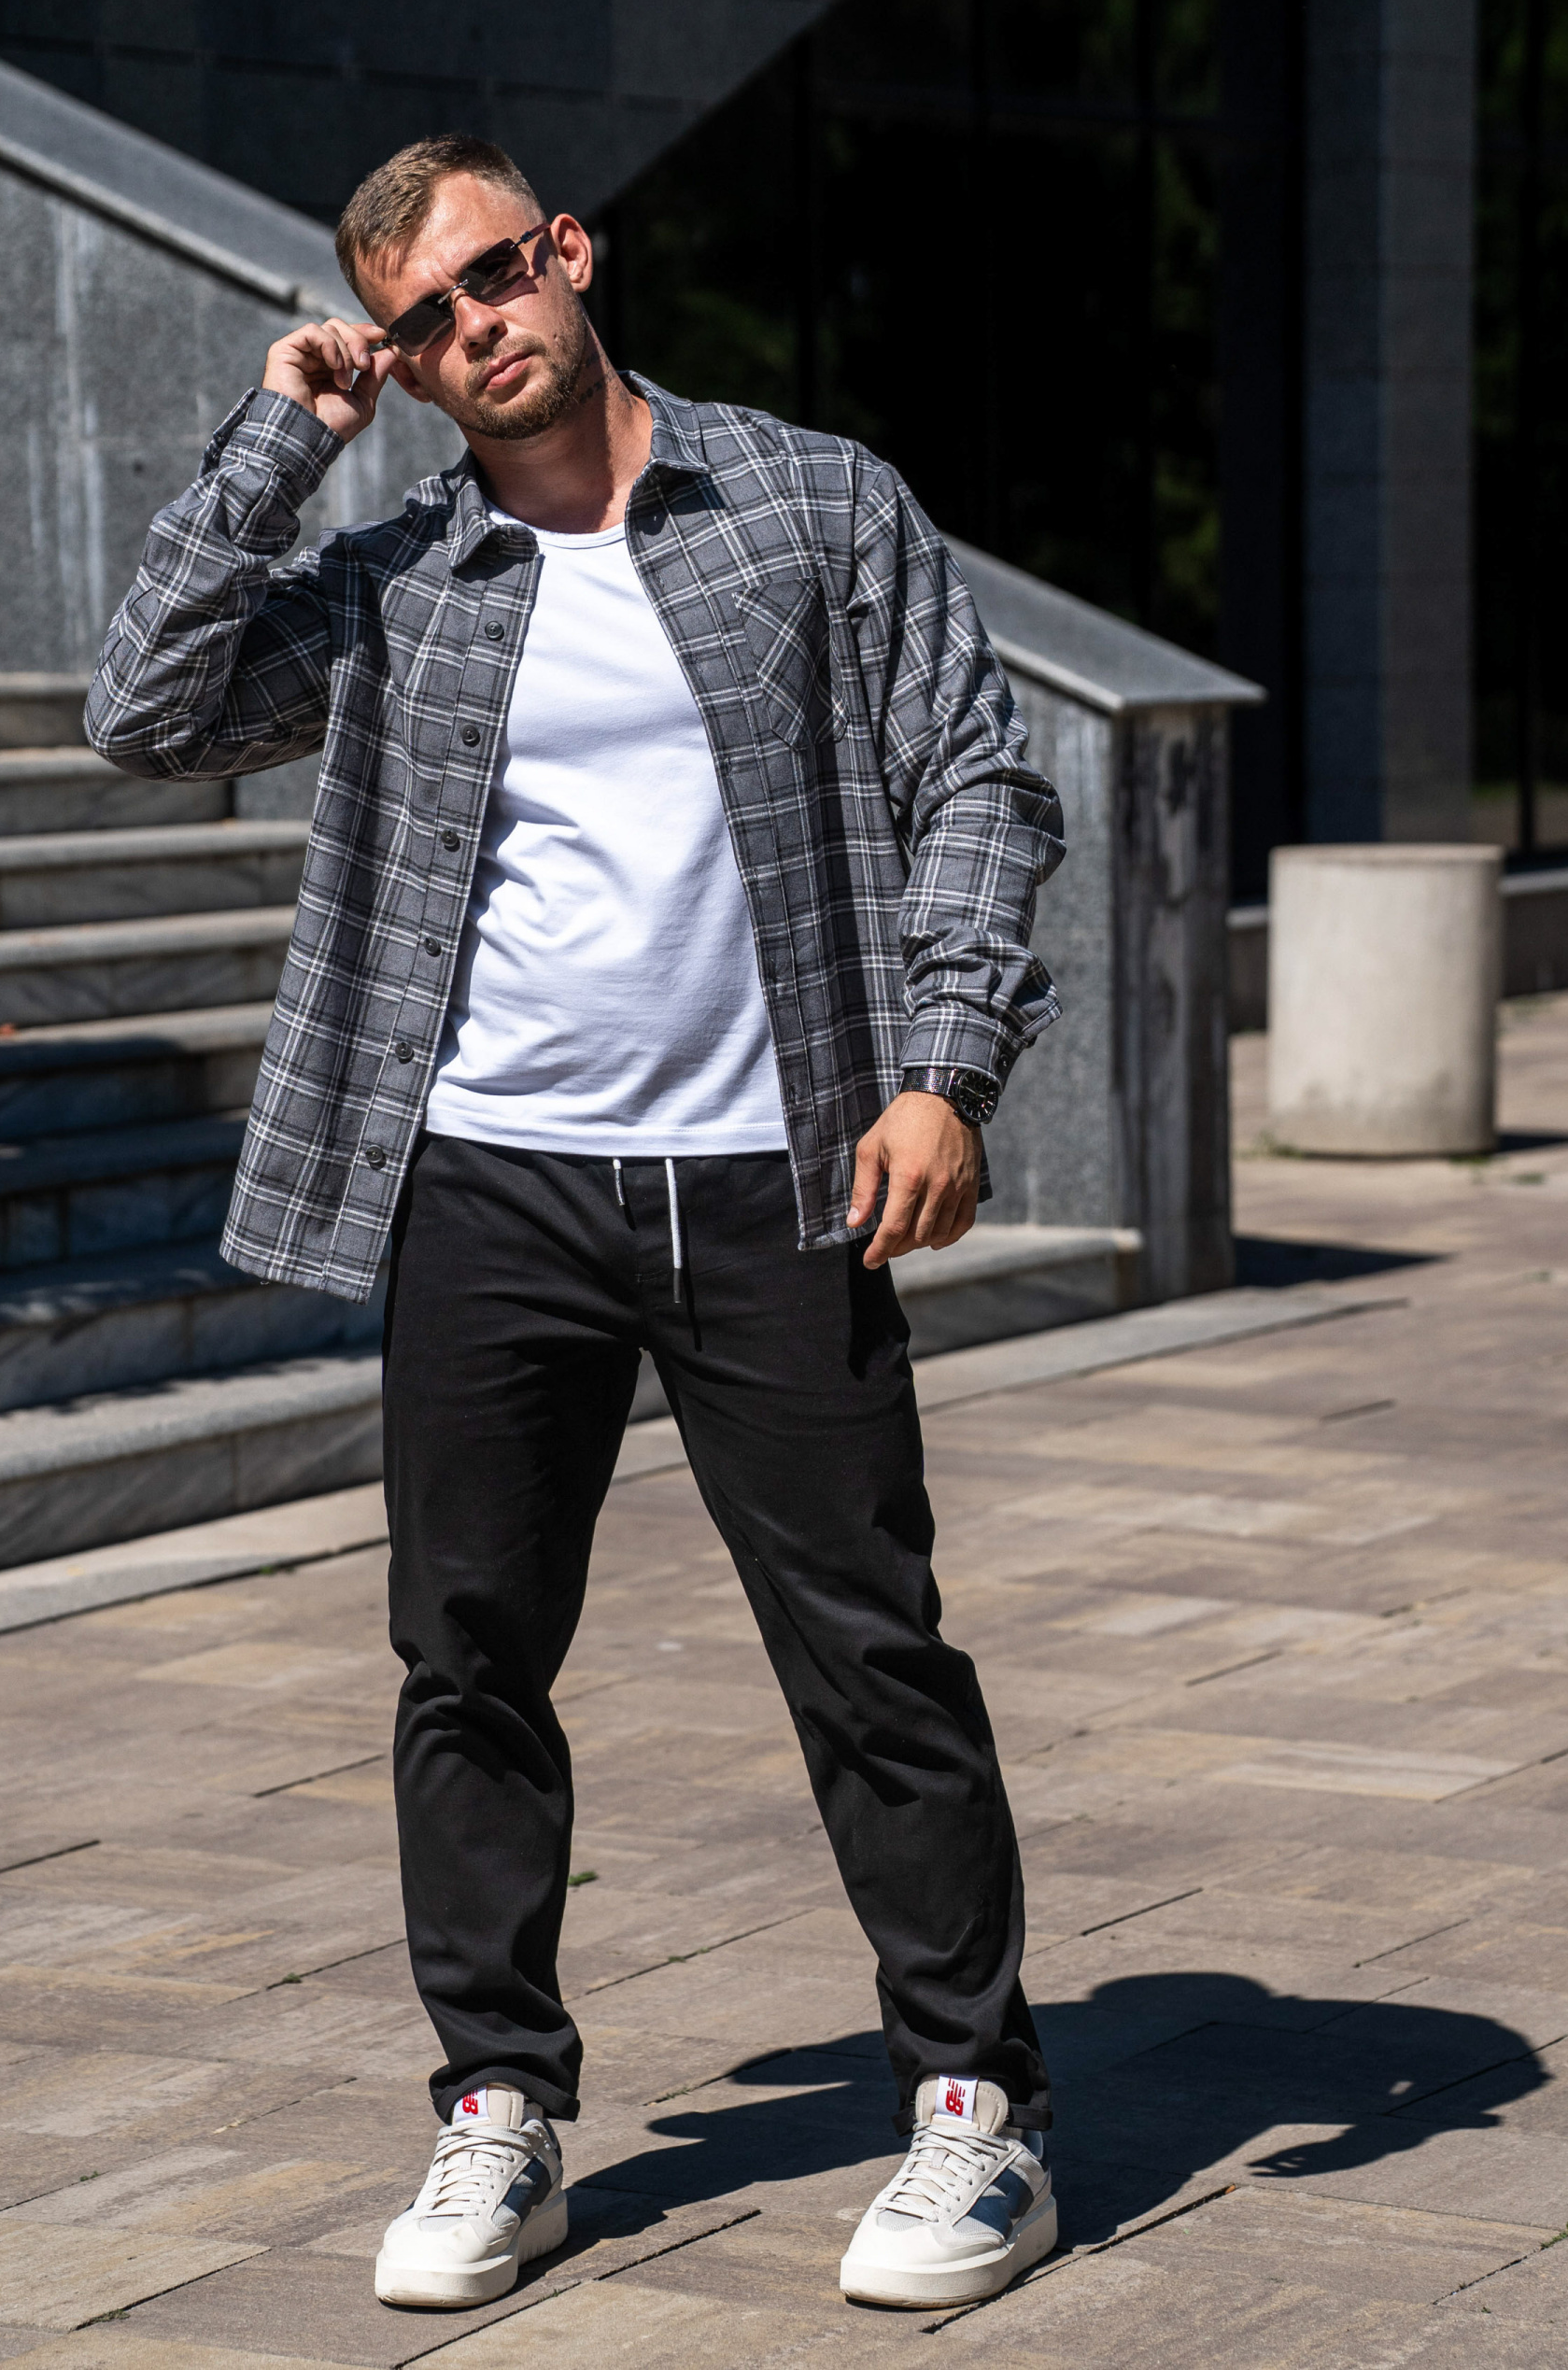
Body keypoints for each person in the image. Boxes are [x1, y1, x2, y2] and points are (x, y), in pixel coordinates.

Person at [88, 134, 1066, 2315]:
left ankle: (973, 2108)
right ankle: (495, 2111)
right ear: (397, 360)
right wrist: (280, 440)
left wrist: (943, 1069)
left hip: (775, 1173)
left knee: (867, 1647)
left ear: (566, 251)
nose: (475, 330)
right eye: (421, 322)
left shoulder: (806, 504)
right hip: (486, 1181)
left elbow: (979, 783)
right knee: (466, 1659)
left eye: (492, 277)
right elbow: (141, 711)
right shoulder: (401, 577)